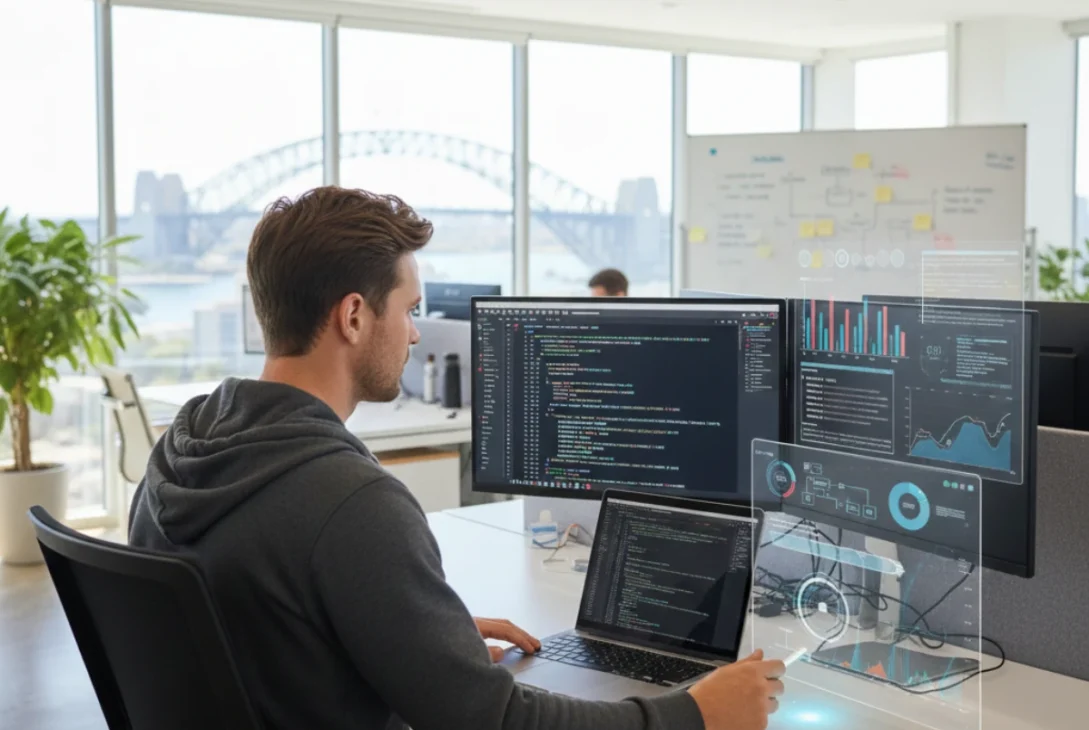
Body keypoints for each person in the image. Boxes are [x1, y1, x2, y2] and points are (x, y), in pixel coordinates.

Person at [128, 186, 784, 730]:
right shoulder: (350, 501)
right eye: (409, 310)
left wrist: (411, 635)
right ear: (353, 316)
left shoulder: (182, 451)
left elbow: (257, 628)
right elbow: (493, 721)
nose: (416, 333)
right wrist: (690, 713)